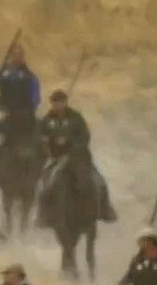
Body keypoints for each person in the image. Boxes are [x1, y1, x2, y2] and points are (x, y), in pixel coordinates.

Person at [36, 89, 117, 224]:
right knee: (43, 185)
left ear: (65, 103)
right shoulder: (47, 119)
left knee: (99, 180)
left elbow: (85, 136)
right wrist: (46, 142)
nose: (57, 106)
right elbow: (41, 136)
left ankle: (106, 209)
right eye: (54, 103)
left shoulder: (75, 117)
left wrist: (69, 141)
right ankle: (43, 215)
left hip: (78, 157)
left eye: (60, 103)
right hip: (56, 158)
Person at [0, 45, 41, 171]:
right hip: (4, 111)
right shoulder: (3, 74)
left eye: (20, 55)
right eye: (15, 55)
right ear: (10, 56)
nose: (17, 58)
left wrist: (29, 108)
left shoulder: (29, 76)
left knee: (40, 136)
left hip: (25, 113)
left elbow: (36, 97)